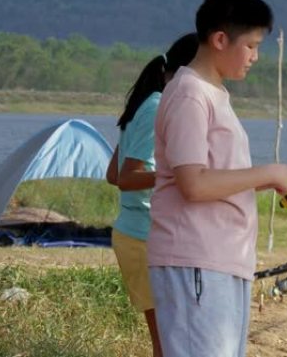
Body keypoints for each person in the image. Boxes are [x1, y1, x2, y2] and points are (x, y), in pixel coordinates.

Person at [147, 0, 287, 357]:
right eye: (250, 46)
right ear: (220, 39)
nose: (255, 57)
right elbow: (194, 184)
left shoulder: (213, 94)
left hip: (222, 261)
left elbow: (212, 178)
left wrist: (273, 179)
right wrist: (267, 174)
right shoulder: (190, 94)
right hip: (196, 260)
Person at [106, 32, 198, 357]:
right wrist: (174, 177)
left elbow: (112, 173)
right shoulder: (157, 107)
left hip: (133, 236)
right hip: (145, 240)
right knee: (172, 343)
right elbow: (126, 178)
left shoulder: (146, 104)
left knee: (168, 342)